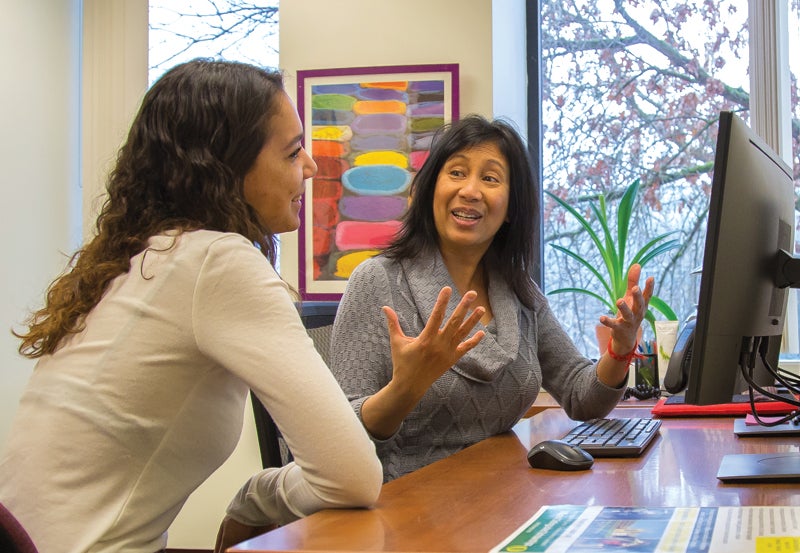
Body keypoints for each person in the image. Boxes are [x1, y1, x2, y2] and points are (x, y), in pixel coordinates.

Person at [0, 59, 484, 553]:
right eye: (294, 152)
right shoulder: (217, 261)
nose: (312, 166)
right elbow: (353, 476)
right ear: (228, 168)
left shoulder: (142, 257)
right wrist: (254, 497)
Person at [329, 114, 655, 482]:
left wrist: (620, 348)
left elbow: (583, 397)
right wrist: (405, 388)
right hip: (404, 504)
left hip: (500, 495)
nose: (470, 190)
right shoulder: (377, 281)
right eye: (456, 172)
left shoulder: (519, 292)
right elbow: (339, 438)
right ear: (428, 189)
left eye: (490, 178)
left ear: (512, 208)